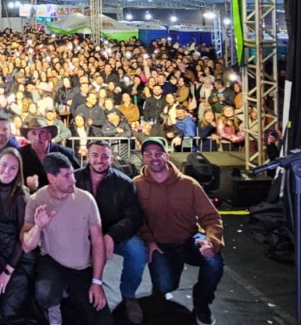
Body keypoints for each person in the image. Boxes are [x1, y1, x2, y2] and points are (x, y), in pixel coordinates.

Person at [136, 137, 224, 325]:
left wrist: (211, 241)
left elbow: (212, 217)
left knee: (214, 260)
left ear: (167, 155)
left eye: (158, 153)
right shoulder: (136, 185)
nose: (154, 158)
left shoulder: (189, 184)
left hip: (188, 239)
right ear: (143, 157)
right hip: (159, 245)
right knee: (166, 286)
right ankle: (160, 296)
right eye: (149, 154)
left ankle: (202, 302)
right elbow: (136, 219)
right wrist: (149, 241)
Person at [23, 153, 111, 325]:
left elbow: (97, 241)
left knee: (103, 320)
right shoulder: (36, 200)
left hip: (82, 265)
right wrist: (38, 226)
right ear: (51, 178)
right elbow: (26, 246)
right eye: (67, 176)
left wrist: (97, 281)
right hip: (53, 262)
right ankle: (55, 306)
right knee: (44, 294)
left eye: (72, 173)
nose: (74, 180)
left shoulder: (86, 199)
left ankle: (69, 294)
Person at [75, 141, 147, 324]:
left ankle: (129, 294)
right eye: (95, 155)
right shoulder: (73, 179)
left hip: (114, 235)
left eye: (105, 156)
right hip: (83, 236)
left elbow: (133, 217)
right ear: (87, 156)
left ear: (112, 159)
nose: (100, 160)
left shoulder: (124, 183)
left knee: (138, 252)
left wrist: (112, 235)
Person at [0, 147, 35, 325]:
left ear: (19, 171)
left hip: (18, 257)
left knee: (7, 313)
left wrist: (8, 271)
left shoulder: (20, 196)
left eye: (13, 168)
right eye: (3, 165)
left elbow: (23, 238)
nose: (6, 171)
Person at [19, 118, 78, 193]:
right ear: (28, 137)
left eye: (42, 133)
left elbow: (79, 178)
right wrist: (26, 184)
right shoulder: (20, 155)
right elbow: (14, 182)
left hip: (61, 200)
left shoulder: (66, 154)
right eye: (33, 133)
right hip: (32, 200)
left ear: (49, 136)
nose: (37, 138)